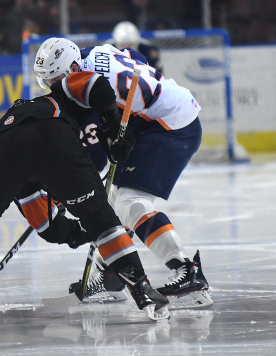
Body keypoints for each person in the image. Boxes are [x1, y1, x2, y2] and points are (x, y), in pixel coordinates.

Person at [0, 37, 169, 329]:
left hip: (2, 139)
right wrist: (112, 126)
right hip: (52, 133)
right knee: (101, 218)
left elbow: (48, 226)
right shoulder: (65, 89)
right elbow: (97, 86)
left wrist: (76, 233)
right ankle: (142, 290)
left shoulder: (31, 106)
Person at [34, 37, 212, 309]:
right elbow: (135, 58)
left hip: (170, 126)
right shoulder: (91, 54)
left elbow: (93, 163)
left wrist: (59, 190)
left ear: (71, 68)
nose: (52, 87)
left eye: (55, 80)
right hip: (162, 115)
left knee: (129, 202)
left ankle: (187, 271)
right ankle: (111, 276)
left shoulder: (88, 92)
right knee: (113, 203)